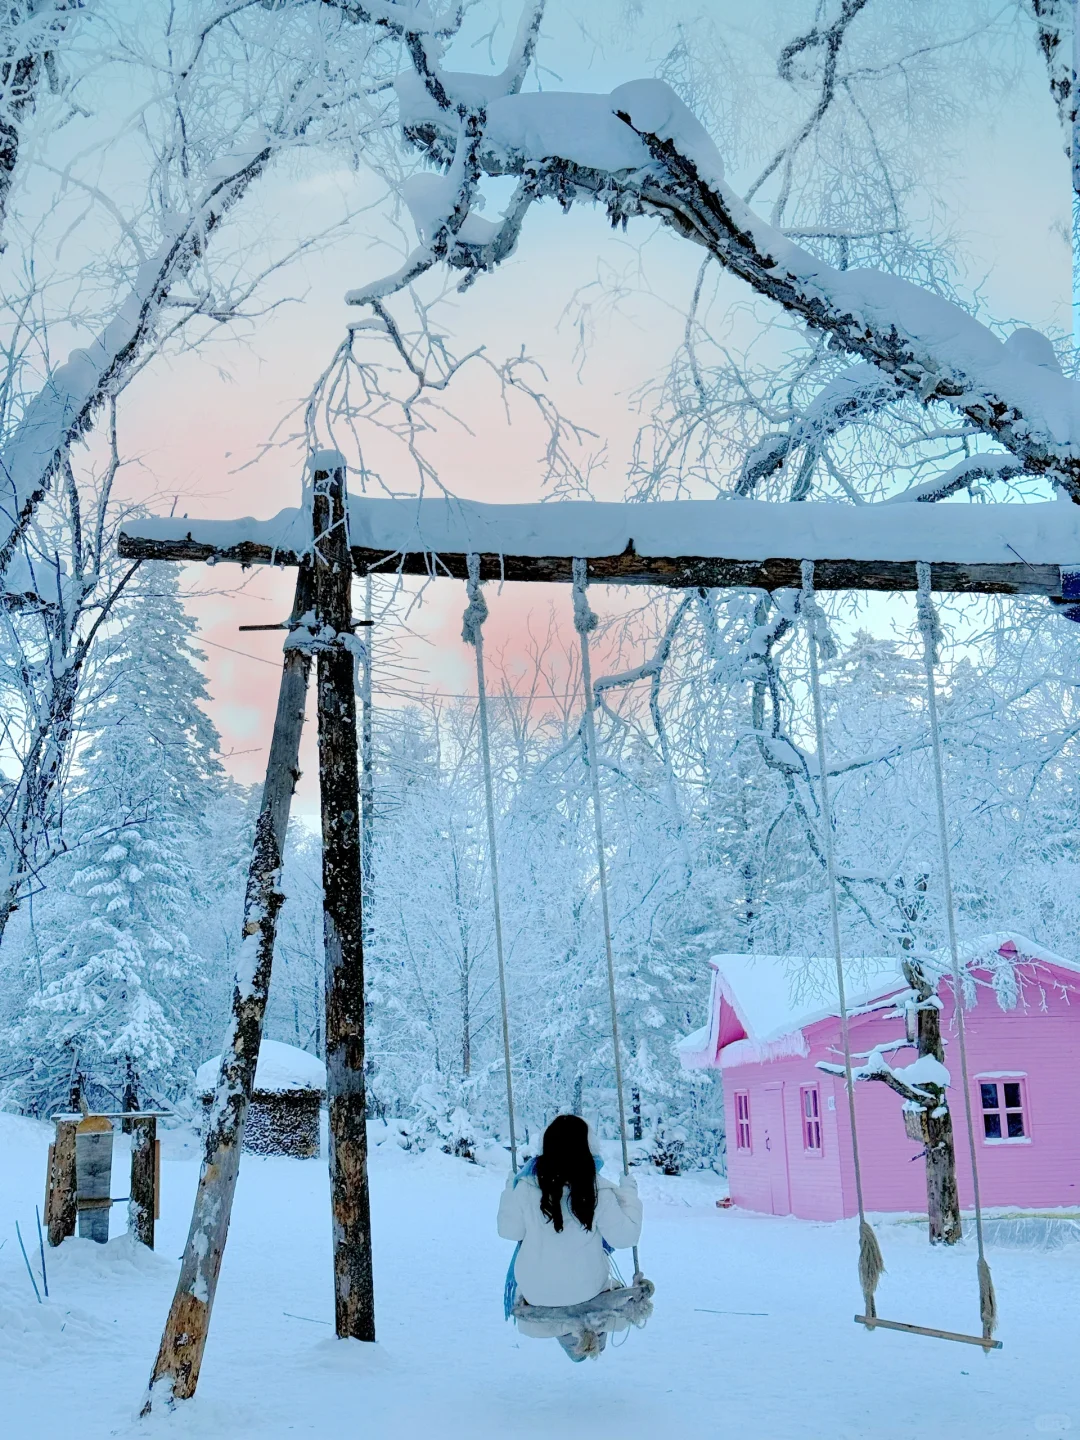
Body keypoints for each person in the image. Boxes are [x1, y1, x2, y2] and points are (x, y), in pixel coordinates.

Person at [498, 1113, 643, 1361]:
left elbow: (509, 1231)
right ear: (588, 1148)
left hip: (536, 1292)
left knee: (559, 1291)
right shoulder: (598, 1190)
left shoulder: (525, 1187)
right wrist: (629, 1194)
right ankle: (587, 1335)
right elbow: (625, 1238)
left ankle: (574, 1337)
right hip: (587, 1291)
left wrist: (509, 1191)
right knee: (593, 1291)